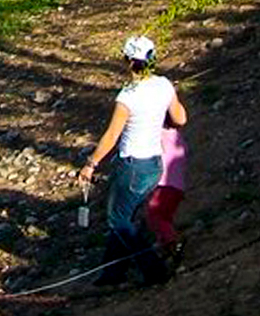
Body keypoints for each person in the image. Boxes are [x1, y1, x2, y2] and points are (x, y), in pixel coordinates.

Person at [77, 36, 187, 287]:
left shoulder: (127, 96)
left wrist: (91, 164)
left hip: (132, 166)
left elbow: (112, 135)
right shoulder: (164, 85)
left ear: (128, 61)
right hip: (154, 164)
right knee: (125, 216)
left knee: (118, 218)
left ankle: (153, 269)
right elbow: (180, 118)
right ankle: (112, 273)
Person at [145, 124, 188, 270]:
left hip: (164, 183)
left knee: (155, 214)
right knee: (165, 217)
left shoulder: (158, 134)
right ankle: (167, 247)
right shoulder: (177, 136)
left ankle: (173, 244)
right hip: (177, 185)